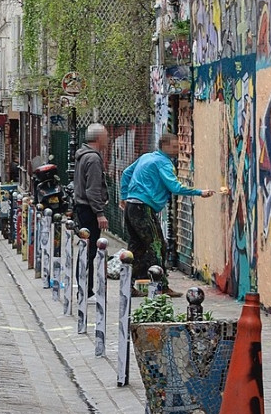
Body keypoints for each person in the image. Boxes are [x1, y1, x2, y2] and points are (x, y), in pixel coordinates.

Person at [120, 132, 214, 296]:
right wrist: (200, 192)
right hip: (143, 207)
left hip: (132, 206)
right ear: (165, 146)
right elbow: (175, 187)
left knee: (137, 246)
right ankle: (160, 286)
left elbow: (126, 173)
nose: (178, 149)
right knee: (157, 246)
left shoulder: (146, 157)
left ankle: (128, 285)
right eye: (175, 146)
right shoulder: (163, 162)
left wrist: (124, 196)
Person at [72, 123, 110, 296]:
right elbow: (92, 189)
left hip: (81, 207)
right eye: (106, 135)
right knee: (90, 251)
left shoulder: (82, 155)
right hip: (88, 210)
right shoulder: (93, 159)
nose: (108, 139)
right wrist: (100, 213)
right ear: (98, 138)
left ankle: (84, 287)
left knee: (85, 250)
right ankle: (85, 288)